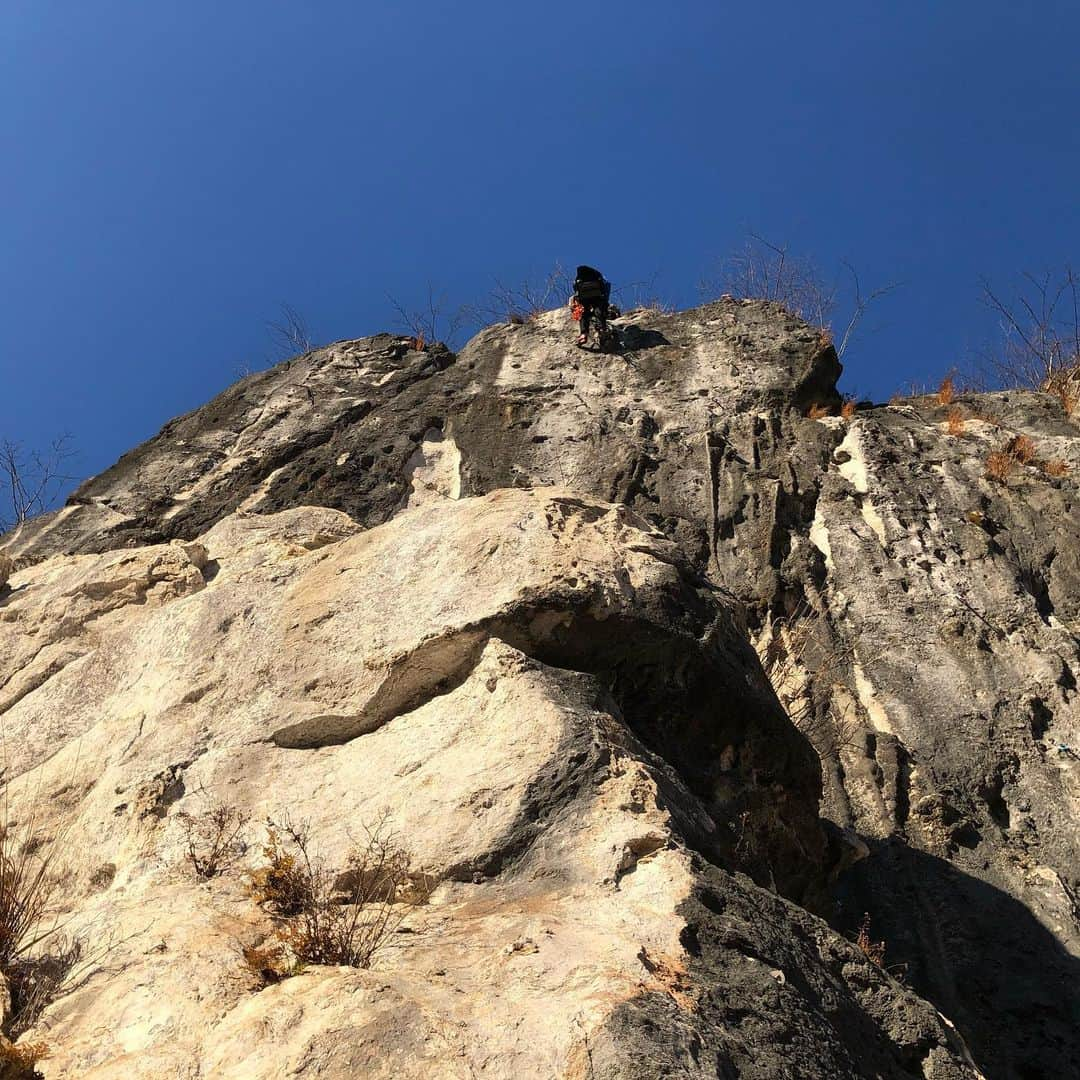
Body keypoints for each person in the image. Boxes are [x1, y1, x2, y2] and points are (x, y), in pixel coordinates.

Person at [571, 265, 611, 347]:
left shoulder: (578, 279)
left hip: (584, 296)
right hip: (598, 295)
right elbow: (607, 285)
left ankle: (583, 334)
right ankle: (602, 330)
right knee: (599, 310)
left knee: (584, 313)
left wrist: (577, 299)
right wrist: (605, 301)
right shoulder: (599, 277)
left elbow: (575, 289)